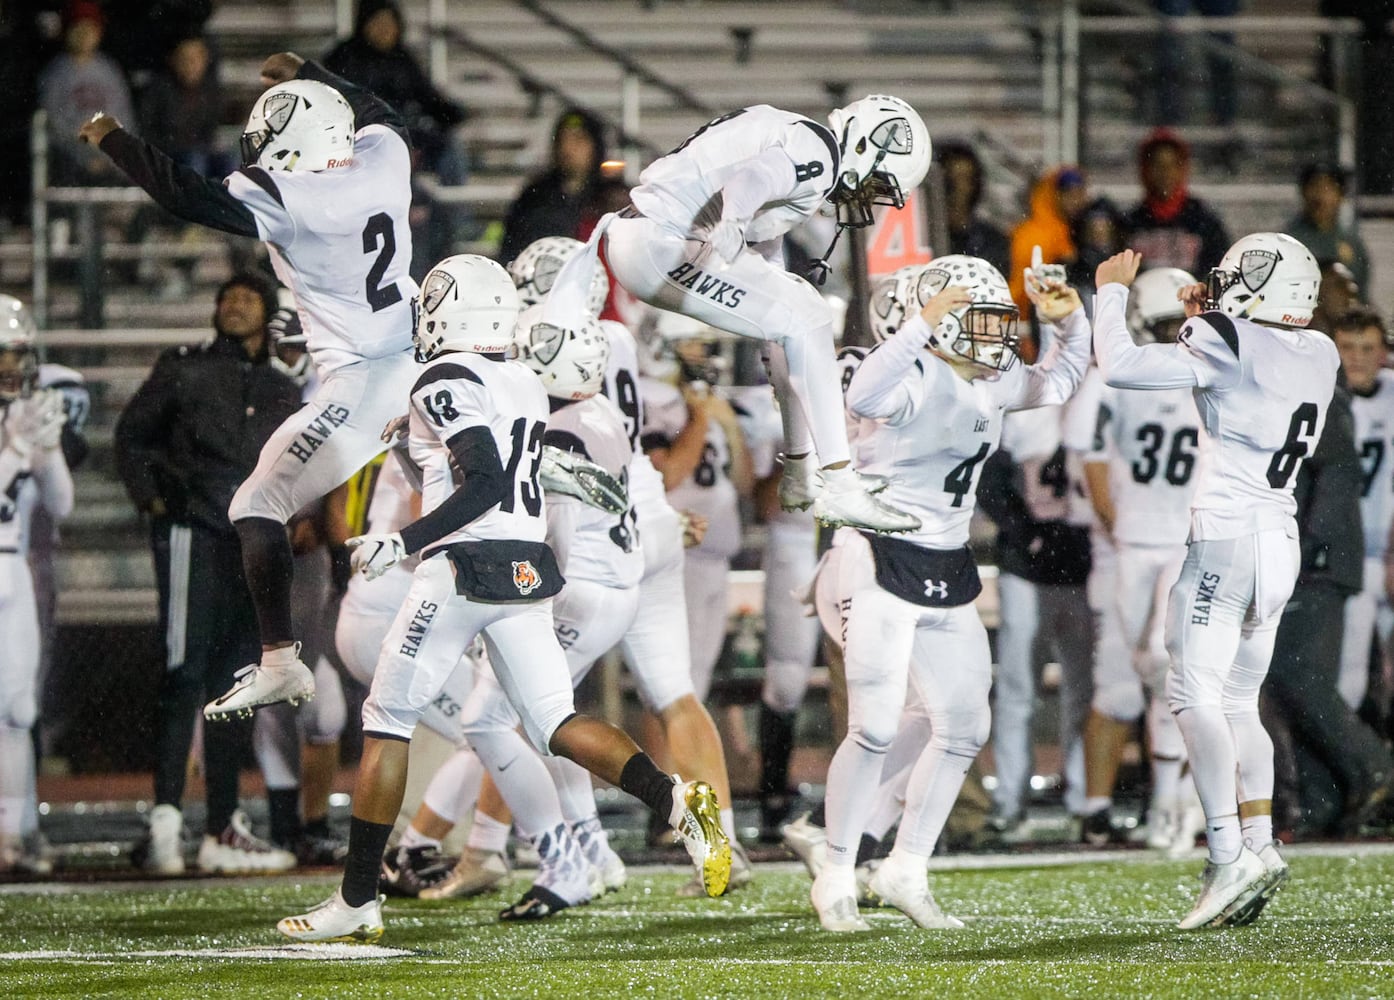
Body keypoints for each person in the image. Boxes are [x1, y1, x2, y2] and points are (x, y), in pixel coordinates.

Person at [276, 255, 730, 942]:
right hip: (523, 568)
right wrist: (410, 451)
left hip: (458, 569)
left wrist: (403, 542)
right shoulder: (520, 376)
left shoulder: (441, 378)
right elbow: (478, 465)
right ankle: (675, 801)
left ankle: (358, 898)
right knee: (552, 720)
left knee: (388, 720)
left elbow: (482, 480)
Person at [80, 51, 421, 722]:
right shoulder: (384, 157)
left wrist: (111, 138)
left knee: (256, 503)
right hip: (415, 359)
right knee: (448, 499)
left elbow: (186, 195)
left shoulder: (299, 198)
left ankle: (280, 662)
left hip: (365, 380)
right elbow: (380, 112)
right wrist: (313, 69)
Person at [810, 254, 1090, 932]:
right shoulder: (911, 374)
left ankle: (906, 867)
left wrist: (1070, 322)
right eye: (986, 320)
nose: (998, 335)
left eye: (1001, 321)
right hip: (874, 556)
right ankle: (837, 872)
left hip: (944, 562)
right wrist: (919, 329)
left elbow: (1059, 382)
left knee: (965, 725)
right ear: (943, 321)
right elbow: (863, 396)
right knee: (875, 727)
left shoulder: (989, 382)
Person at [1091, 236, 1339, 929]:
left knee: (1191, 693)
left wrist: (1111, 291)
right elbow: (1246, 355)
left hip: (1227, 537)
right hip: (1279, 540)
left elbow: (1123, 365)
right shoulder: (1320, 351)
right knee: (1239, 700)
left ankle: (1226, 853)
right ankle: (1261, 845)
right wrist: (1217, 318)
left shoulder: (1223, 335)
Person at [602, 96, 932, 533]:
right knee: (809, 316)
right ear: (868, 145)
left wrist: (776, 348)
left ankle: (802, 472)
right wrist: (733, 222)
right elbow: (752, 180)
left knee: (795, 324)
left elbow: (769, 262)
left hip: (648, 237)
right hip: (660, 241)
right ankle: (839, 481)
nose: (867, 196)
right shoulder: (815, 150)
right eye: (876, 183)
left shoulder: (799, 145)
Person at [114, 274, 303, 875]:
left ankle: (222, 825)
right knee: (183, 673)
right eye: (227, 297)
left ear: (269, 314)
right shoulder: (184, 368)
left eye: (248, 298)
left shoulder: (281, 388)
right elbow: (131, 437)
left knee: (235, 685)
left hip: (247, 543)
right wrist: (156, 502)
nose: (234, 304)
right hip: (192, 533)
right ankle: (166, 818)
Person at [1079, 267, 1204, 849]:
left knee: (1164, 661)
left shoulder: (1210, 372)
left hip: (1184, 541)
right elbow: (1095, 462)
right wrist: (1120, 526)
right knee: (1150, 673)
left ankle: (1174, 804)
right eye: (1159, 326)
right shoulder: (1119, 381)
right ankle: (1168, 803)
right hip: (1133, 544)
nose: (1168, 335)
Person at [0, 301, 73, 875]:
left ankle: (14, 834)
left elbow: (62, 505)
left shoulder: (27, 414)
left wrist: (46, 454)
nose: (10, 367)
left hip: (14, 570)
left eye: (17, 355)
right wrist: (17, 454)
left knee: (20, 710)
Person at [322, 0, 469, 183]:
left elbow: (427, 97)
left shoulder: (402, 59)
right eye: (378, 23)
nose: (385, 30)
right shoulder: (344, 57)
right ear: (364, 24)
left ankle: (452, 209)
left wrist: (450, 114)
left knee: (449, 148)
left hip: (404, 134)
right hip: (364, 138)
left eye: (390, 23)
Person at [38, 1, 134, 186]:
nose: (84, 35)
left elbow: (125, 119)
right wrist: (84, 156)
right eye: (78, 29)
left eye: (90, 29)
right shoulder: (55, 74)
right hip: (70, 160)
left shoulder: (110, 71)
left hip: (110, 158)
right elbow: (54, 126)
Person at [500, 109, 608, 265]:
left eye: (578, 140)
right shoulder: (534, 197)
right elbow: (512, 251)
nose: (568, 148)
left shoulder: (610, 198)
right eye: (562, 140)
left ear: (595, 146)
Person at [1121, 130, 1230, 278]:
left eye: (1172, 164)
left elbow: (1220, 271)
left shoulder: (1205, 222)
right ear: (1145, 170)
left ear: (1183, 169)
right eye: (1157, 165)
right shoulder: (1129, 223)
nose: (1165, 173)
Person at [1007, 166, 1088, 316]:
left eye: (1080, 194)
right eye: (1070, 195)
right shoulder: (1049, 232)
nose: (1077, 201)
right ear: (1055, 195)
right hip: (1024, 312)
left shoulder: (1061, 228)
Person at [1285, 164, 1370, 294]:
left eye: (1329, 188)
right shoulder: (1288, 242)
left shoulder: (1351, 242)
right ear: (1303, 192)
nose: (1320, 197)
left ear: (1341, 196)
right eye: (1314, 187)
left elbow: (1361, 293)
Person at [936, 141, 1009, 276]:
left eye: (964, 178)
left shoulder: (991, 240)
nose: (957, 187)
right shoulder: (925, 234)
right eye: (950, 179)